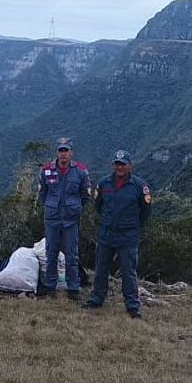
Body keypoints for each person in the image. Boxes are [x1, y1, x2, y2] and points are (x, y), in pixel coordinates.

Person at [83, 150, 152, 318]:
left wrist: (134, 227)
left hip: (128, 237)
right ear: (113, 165)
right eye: (117, 164)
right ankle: (96, 300)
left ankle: (132, 306)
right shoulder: (103, 184)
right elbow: (99, 207)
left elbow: (145, 211)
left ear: (130, 166)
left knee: (128, 272)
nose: (119, 167)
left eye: (123, 164)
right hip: (106, 234)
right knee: (101, 269)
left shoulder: (139, 186)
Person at [37, 136, 91, 300]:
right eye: (61, 151)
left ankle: (73, 288)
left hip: (71, 219)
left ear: (71, 153)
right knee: (51, 253)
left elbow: (85, 195)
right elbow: (42, 193)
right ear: (57, 153)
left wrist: (75, 208)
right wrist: (50, 207)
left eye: (66, 150)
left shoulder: (81, 171)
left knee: (71, 255)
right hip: (52, 218)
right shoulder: (46, 169)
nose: (63, 154)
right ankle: (50, 286)